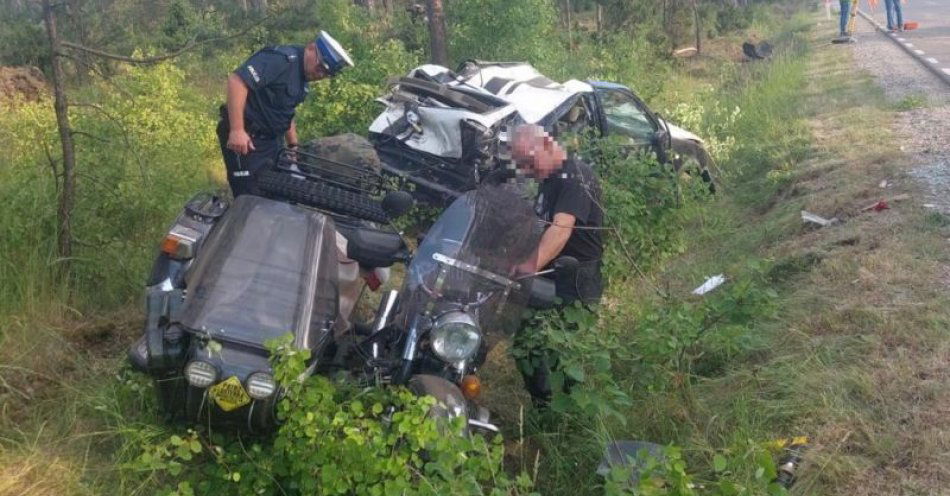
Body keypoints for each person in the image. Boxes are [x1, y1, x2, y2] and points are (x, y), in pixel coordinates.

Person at [509, 124, 605, 405]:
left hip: (576, 278)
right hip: (551, 272)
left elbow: (561, 229)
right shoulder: (550, 177)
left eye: (528, 161)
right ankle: (544, 406)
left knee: (567, 351)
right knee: (526, 343)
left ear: (548, 145)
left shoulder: (575, 176)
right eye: (521, 164)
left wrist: (529, 266)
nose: (526, 170)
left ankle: (573, 416)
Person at [218, 31, 353, 197]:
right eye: (320, 68)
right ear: (311, 48)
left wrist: (293, 145)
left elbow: (286, 112)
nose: (320, 75)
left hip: (272, 142)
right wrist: (237, 130)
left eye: (326, 74)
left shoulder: (302, 78)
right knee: (250, 196)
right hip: (246, 140)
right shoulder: (281, 60)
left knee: (277, 190)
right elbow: (237, 81)